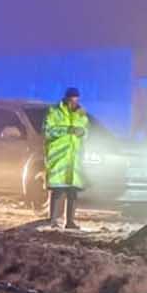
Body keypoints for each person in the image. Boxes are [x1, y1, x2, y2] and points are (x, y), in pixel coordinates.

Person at [44, 88, 90, 230]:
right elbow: (48, 131)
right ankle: (53, 221)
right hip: (59, 158)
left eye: (76, 99)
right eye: (72, 99)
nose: (74, 102)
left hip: (74, 159)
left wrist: (82, 133)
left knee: (72, 191)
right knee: (58, 191)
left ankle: (70, 222)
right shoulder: (55, 112)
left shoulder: (81, 114)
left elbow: (86, 132)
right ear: (66, 99)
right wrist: (67, 130)